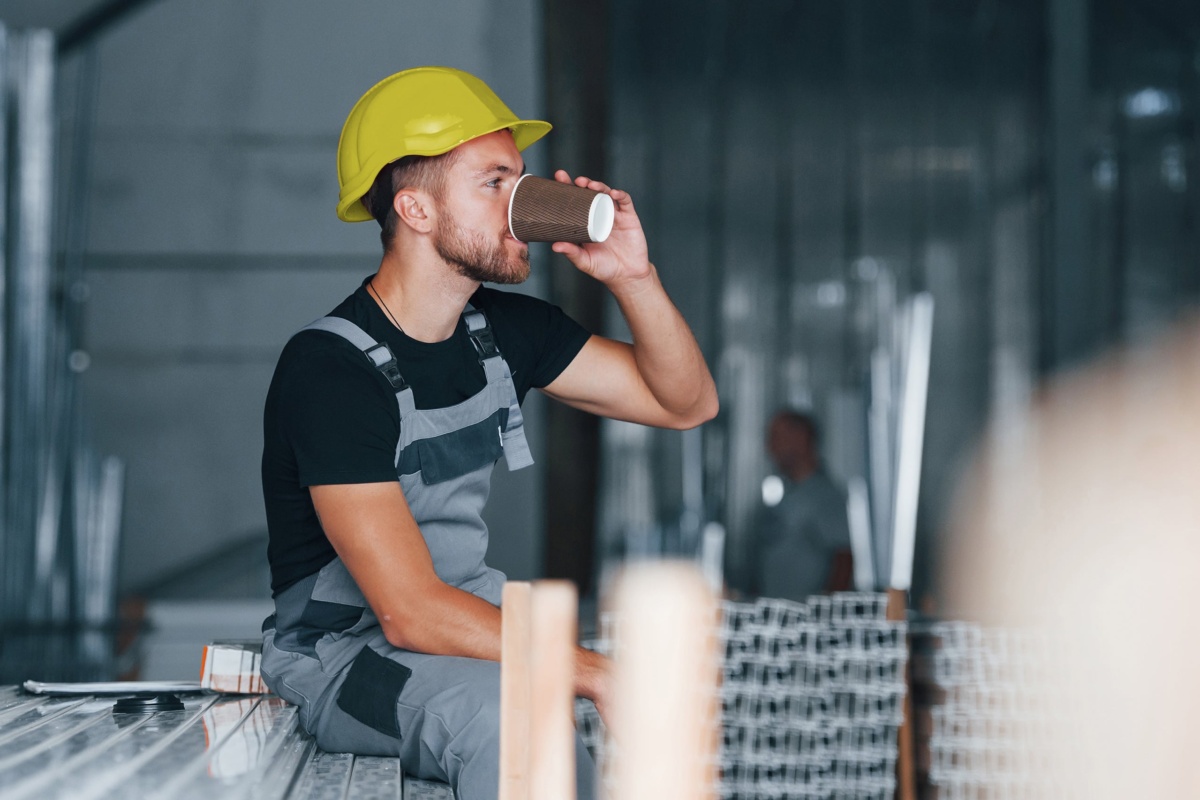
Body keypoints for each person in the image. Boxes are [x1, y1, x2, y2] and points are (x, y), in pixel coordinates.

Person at [258, 66, 717, 800]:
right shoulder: (332, 370)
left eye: (524, 180)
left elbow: (685, 404)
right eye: (495, 182)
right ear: (415, 209)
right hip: (348, 660)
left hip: (472, 631)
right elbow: (406, 610)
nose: (523, 205)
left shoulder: (504, 332)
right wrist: (596, 672)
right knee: (513, 724)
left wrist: (634, 277)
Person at [754, 409, 853, 601]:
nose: (769, 447)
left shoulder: (826, 496)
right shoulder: (781, 492)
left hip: (806, 622)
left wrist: (826, 612)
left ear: (800, 439)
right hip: (776, 616)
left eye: (776, 437)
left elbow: (845, 557)